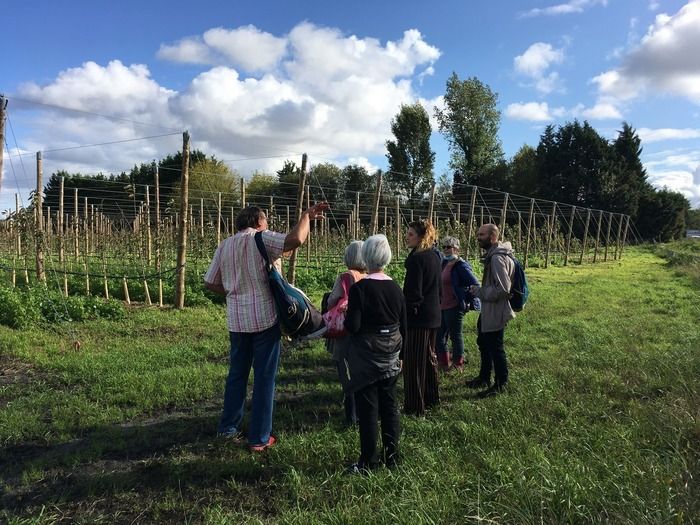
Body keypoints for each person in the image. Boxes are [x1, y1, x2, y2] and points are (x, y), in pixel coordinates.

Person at [204, 203, 328, 451]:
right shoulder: (262, 237)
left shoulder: (225, 245)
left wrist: (233, 291)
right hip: (264, 320)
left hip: (237, 321)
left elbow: (210, 282)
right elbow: (296, 240)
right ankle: (259, 438)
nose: (268, 224)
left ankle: (228, 428)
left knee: (236, 375)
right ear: (259, 221)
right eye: (266, 221)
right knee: (264, 378)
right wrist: (306, 217)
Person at [341, 234, 406, 473]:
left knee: (368, 410)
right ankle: (393, 456)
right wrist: (402, 356)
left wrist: (348, 313)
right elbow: (404, 325)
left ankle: (368, 462)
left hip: (367, 357)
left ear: (366, 256)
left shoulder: (360, 289)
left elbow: (353, 326)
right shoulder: (396, 288)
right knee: (390, 407)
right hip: (391, 355)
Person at [467, 223, 515, 398]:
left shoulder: (497, 258)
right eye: (478, 234)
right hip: (489, 309)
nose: (478, 237)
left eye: (482, 235)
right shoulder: (495, 255)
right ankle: (484, 377)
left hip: (496, 309)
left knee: (495, 347)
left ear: (493, 237)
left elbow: (503, 289)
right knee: (484, 342)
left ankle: (500, 384)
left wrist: (480, 291)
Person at [402, 219, 442, 416]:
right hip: (434, 315)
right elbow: (438, 288)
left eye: (410, 234)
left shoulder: (417, 260)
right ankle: (432, 398)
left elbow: (413, 294)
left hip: (419, 318)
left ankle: (414, 406)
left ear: (421, 237)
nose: (406, 237)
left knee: (414, 363)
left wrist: (407, 315)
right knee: (429, 358)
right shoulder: (434, 257)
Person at [326, 240, 367, 426]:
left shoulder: (345, 277)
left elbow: (332, 300)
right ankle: (363, 413)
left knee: (346, 372)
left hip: (344, 331)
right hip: (364, 331)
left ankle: (350, 416)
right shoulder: (369, 277)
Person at [436, 236, 480, 371]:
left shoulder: (460, 265)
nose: (445, 250)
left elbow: (474, 283)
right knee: (439, 335)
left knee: (456, 335)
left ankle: (457, 363)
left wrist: (465, 299)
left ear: (456, 249)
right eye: (443, 247)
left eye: (448, 247)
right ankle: (444, 362)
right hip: (441, 305)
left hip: (454, 306)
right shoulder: (443, 263)